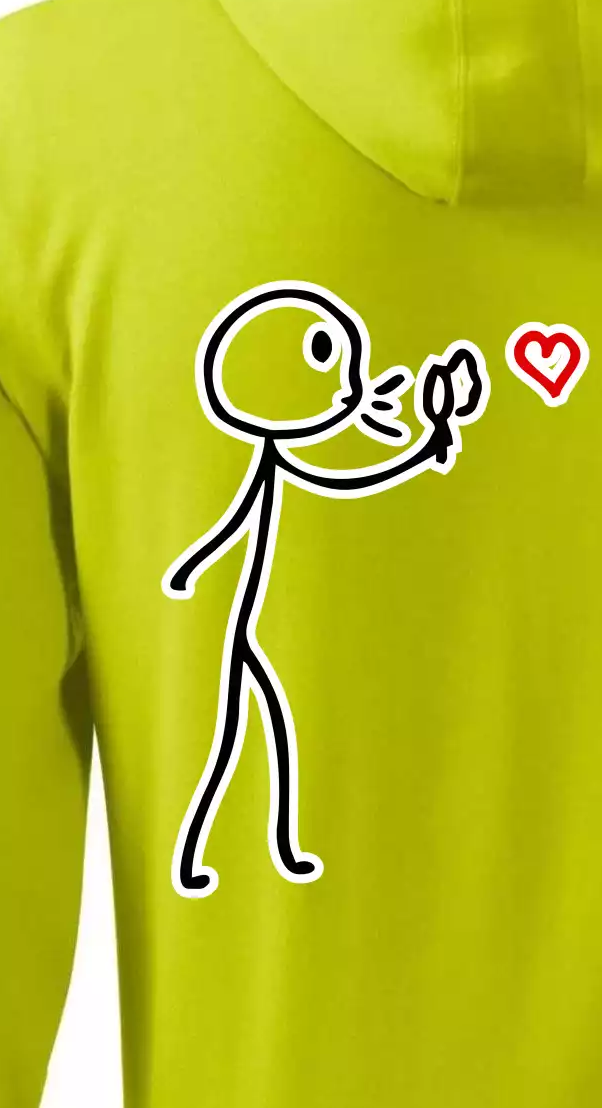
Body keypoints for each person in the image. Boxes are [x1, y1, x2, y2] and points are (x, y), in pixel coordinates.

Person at [162, 281, 488, 895]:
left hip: (251, 626)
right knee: (235, 739)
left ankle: (279, 845)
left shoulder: (274, 456)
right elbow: (307, 490)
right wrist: (195, 566)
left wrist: (423, 444)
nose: (346, 386)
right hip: (245, 628)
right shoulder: (278, 456)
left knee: (264, 736)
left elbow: (269, 506)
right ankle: (223, 845)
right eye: (324, 358)